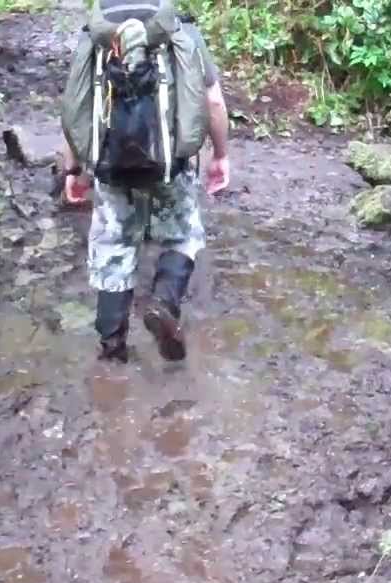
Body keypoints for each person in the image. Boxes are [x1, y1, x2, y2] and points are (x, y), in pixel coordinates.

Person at [58, 0, 230, 363]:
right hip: (171, 164)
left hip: (110, 163)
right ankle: (164, 301)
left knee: (112, 245)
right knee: (182, 234)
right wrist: (220, 155)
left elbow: (77, 105)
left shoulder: (96, 32)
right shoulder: (180, 29)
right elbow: (212, 101)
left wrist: (73, 168)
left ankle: (112, 350)